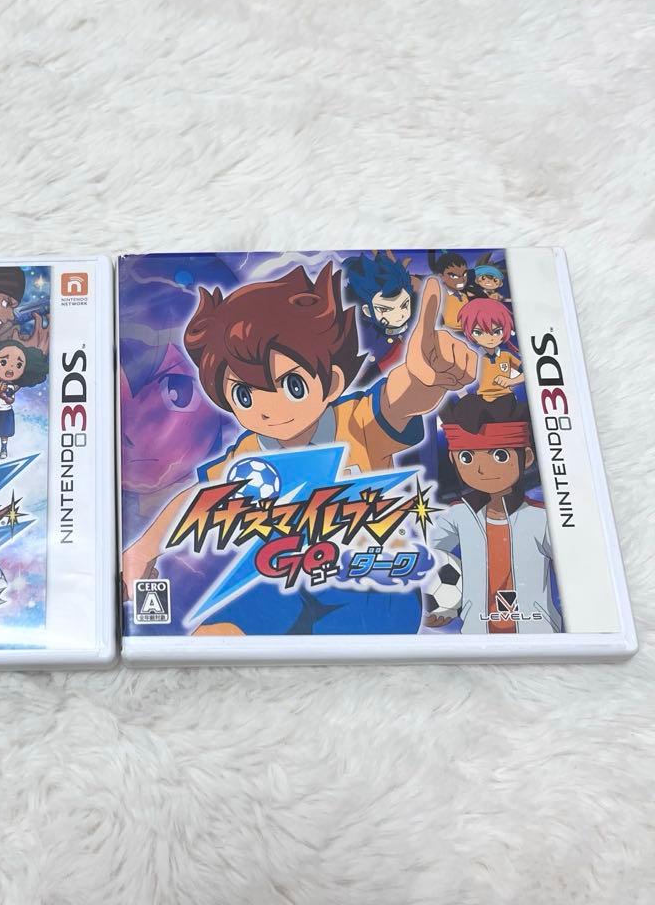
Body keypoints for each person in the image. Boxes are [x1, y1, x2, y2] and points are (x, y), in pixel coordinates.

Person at [121, 261, 478, 590]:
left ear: (332, 382)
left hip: (373, 581)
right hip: (292, 585)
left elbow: (397, 400)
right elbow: (197, 499)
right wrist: (145, 548)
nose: (268, 409)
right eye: (244, 394)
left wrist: (423, 380)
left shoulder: (357, 422)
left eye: (293, 386)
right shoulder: (249, 455)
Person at [426, 395, 559, 633]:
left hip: (537, 634)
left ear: (527, 458)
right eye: (467, 457)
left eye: (500, 455)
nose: (481, 469)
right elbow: (426, 554)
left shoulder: (542, 519)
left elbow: (578, 567)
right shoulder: (458, 516)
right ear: (453, 459)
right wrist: (442, 608)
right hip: (477, 635)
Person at [457, 298, 523, 402]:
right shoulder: (474, 358)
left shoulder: (506, 355)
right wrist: (464, 397)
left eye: (497, 332)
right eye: (479, 332)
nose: (489, 338)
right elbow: (457, 379)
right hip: (482, 400)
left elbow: (528, 372)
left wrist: (511, 381)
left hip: (506, 397)